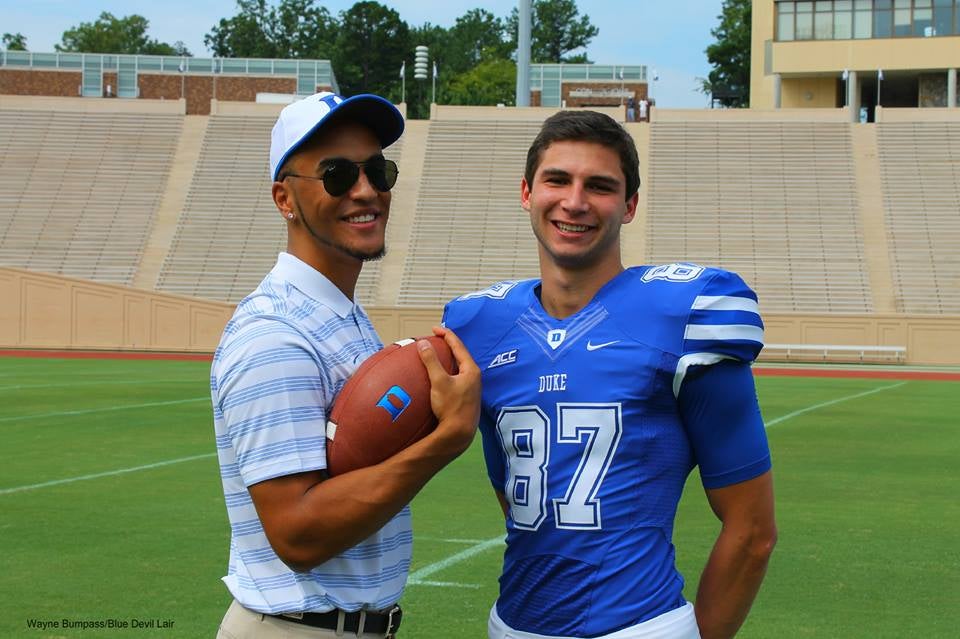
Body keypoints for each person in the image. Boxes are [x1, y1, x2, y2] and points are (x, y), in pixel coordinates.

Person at [443, 110, 776, 639]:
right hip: (511, 624)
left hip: (639, 625)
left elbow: (753, 530)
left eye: (599, 186)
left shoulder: (685, 313)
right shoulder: (478, 325)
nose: (574, 202)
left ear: (630, 205)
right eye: (557, 180)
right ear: (527, 192)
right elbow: (511, 491)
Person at [211, 91, 481, 639]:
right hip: (294, 627)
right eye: (336, 175)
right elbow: (297, 536)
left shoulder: (342, 314)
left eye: (378, 171)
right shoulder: (275, 334)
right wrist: (444, 441)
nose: (366, 191)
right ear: (285, 199)